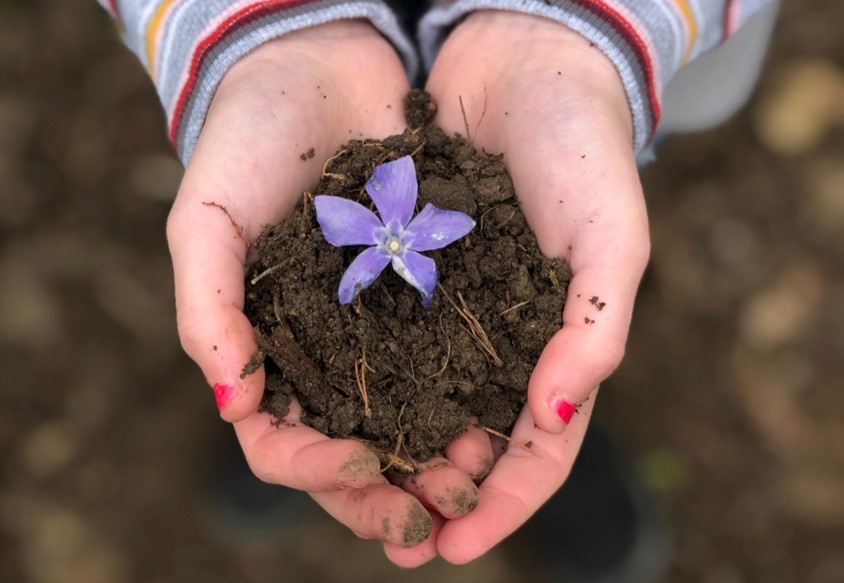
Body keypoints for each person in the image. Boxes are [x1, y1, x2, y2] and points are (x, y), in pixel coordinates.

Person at [97, 0, 779, 571]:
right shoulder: (363, 234)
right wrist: (253, 33)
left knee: (574, 235)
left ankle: (530, 400)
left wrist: (587, 29)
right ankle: (288, 386)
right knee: (264, 318)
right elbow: (353, 266)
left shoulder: (424, 240)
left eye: (396, 243)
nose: (392, 245)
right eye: (389, 243)